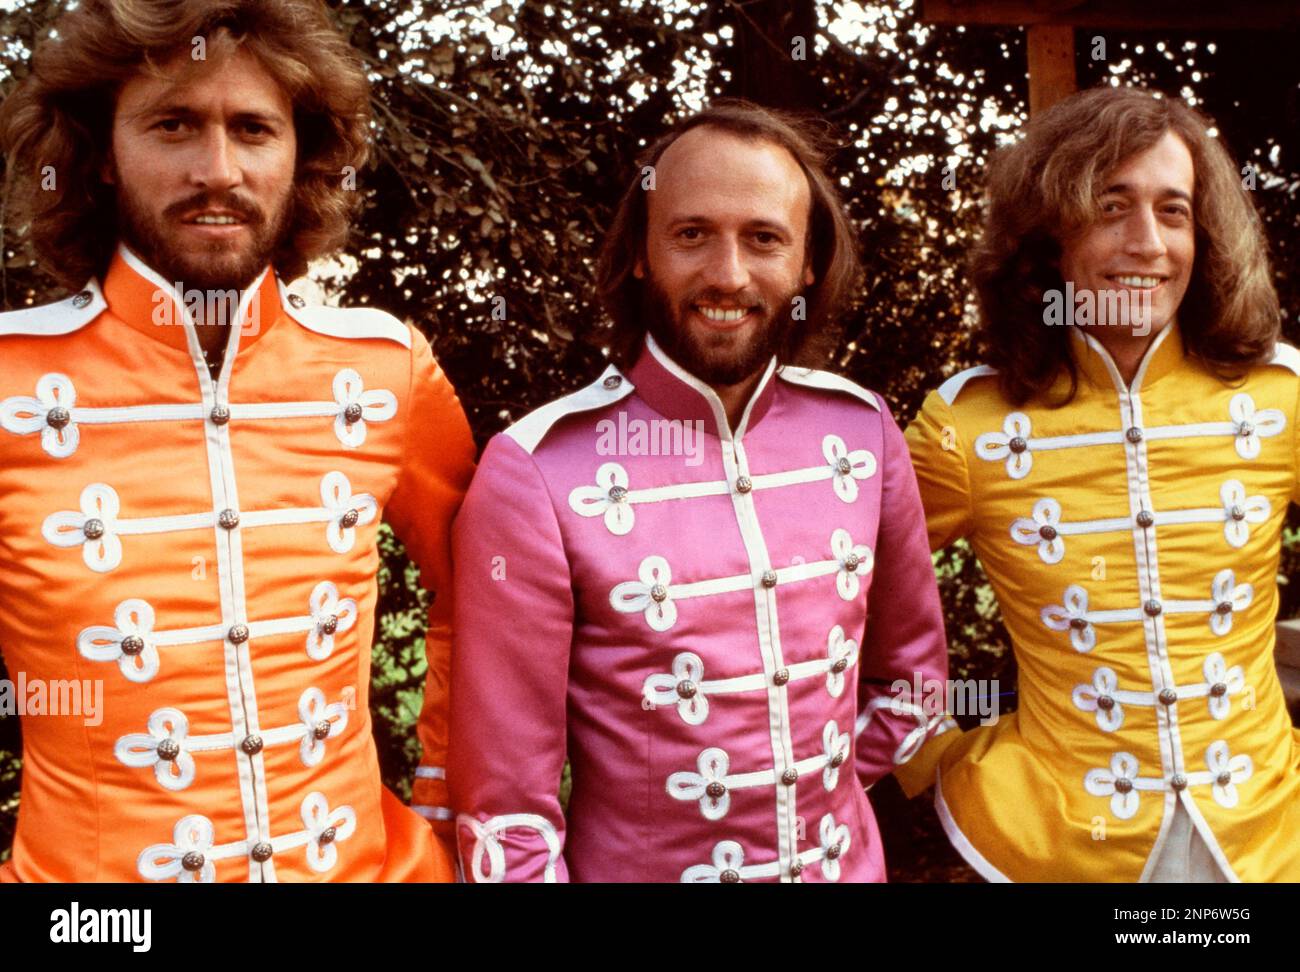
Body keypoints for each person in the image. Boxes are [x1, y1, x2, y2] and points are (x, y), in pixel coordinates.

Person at [0, 0, 474, 881]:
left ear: (300, 156)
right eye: (174, 124)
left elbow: (483, 598)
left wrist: (445, 801)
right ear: (102, 153)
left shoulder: (387, 371)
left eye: (253, 128)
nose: (218, 171)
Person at [448, 101, 951, 883]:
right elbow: (507, 813)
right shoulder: (535, 471)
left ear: (808, 262)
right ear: (643, 253)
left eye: (764, 238)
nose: (728, 274)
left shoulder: (863, 433)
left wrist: (812, 786)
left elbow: (914, 685)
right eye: (692, 234)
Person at [899, 86, 1300, 882]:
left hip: (1267, 842)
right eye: (1111, 206)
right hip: (1051, 848)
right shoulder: (964, 425)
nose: (1147, 242)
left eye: (1174, 210)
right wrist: (926, 750)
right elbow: (835, 591)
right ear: (1048, 238)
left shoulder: (1282, 394)